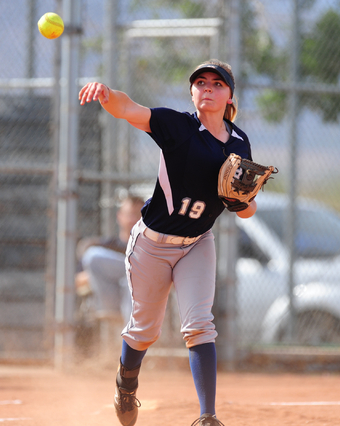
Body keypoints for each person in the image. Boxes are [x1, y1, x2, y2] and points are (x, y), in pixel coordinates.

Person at [79, 59, 257, 426]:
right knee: (145, 331)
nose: (207, 88)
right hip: (151, 245)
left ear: (229, 95)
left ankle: (207, 416)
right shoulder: (176, 126)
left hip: (196, 244)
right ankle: (126, 385)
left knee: (199, 326)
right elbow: (129, 109)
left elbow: (247, 211)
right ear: (192, 92)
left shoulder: (239, 142)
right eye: (200, 82)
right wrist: (107, 94)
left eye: (217, 84)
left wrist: (243, 202)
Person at [76, 194, 145, 322]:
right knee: (93, 256)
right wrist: (104, 274)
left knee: (130, 280)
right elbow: (78, 281)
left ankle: (133, 336)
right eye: (129, 214)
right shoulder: (105, 248)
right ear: (119, 216)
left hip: (140, 302)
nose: (133, 219)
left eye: (138, 215)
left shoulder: (151, 249)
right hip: (109, 300)